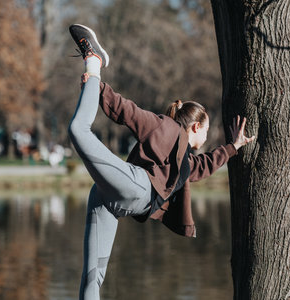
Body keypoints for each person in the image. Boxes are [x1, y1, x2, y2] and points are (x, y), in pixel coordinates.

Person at [67, 24, 256, 300]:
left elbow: (205, 165)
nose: (206, 135)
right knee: (77, 131)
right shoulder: (165, 128)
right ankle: (94, 61)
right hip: (132, 187)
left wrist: (233, 147)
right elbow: (127, 112)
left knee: (93, 277)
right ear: (195, 127)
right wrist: (100, 88)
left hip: (115, 201)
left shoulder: (184, 163)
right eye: (206, 129)